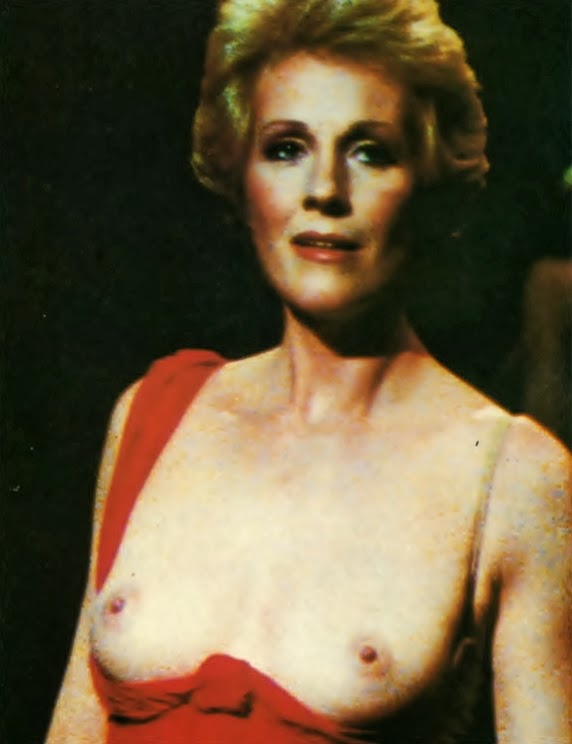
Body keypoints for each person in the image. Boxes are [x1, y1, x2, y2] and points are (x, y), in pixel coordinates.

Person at [46, 1, 571, 742]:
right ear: (239, 175)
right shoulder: (155, 414)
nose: (324, 189)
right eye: (287, 148)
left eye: (371, 152)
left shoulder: (514, 476)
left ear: (428, 183)